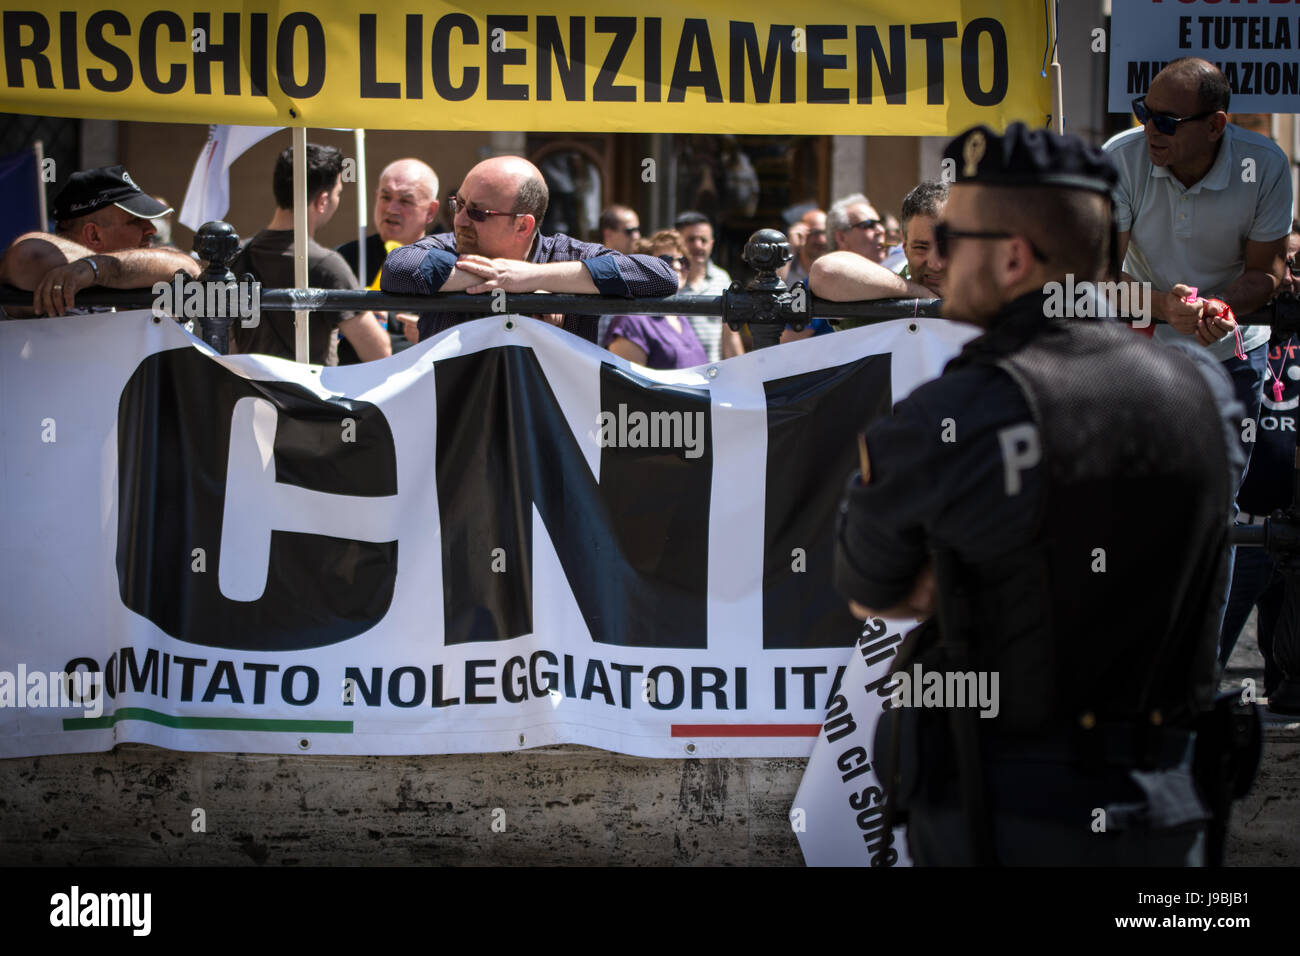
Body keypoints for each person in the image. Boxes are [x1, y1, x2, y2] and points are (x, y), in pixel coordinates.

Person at [834, 122, 1244, 866]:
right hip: (1170, 811)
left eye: (953, 238)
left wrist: (967, 560)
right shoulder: (1205, 393)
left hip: (1011, 811)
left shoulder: (950, 416)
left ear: (1014, 256)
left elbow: (874, 589)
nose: (938, 258)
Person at [382, 156, 677, 344]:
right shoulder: (446, 246)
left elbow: (660, 277)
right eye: (458, 204)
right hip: (459, 429)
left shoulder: (566, 254)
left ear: (523, 226)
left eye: (477, 212)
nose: (459, 219)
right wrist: (512, 285)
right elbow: (398, 268)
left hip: (551, 431)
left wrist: (534, 277)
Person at [1220, 219, 1300, 715]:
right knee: (1204, 665)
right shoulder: (1237, 338)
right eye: (1284, 263)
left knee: (1287, 694)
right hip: (1242, 534)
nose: (1291, 276)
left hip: (1295, 535)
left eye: (1299, 265)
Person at [230, 144, 390, 366]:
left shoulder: (236, 255)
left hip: (249, 394)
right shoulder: (327, 265)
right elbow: (378, 352)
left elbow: (230, 344)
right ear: (322, 201)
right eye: (338, 194)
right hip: (310, 397)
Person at [0, 165, 200, 318]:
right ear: (94, 235)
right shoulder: (41, 261)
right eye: (136, 221)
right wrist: (94, 269)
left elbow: (188, 267)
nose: (151, 230)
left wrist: (97, 268)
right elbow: (27, 256)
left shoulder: (114, 265)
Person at [336, 158, 440, 354]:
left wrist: (433, 333)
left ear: (431, 211)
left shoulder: (446, 266)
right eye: (385, 197)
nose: (392, 209)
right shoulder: (345, 258)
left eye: (405, 201)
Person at [603, 230, 706, 370]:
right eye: (666, 260)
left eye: (683, 261)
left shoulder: (678, 316)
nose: (676, 266)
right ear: (645, 267)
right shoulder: (631, 320)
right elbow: (627, 387)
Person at [674, 210, 744, 360]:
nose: (698, 246)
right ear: (678, 243)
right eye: (691, 239)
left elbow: (730, 336)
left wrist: (742, 375)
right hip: (674, 374)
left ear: (712, 243)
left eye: (703, 240)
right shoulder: (669, 280)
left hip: (712, 376)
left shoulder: (723, 279)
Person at [826, 193, 888, 265]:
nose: (881, 230)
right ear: (841, 238)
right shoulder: (824, 275)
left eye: (880, 223)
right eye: (869, 224)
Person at [783, 208, 828, 286]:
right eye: (815, 233)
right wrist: (791, 248)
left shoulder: (833, 268)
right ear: (801, 232)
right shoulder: (787, 266)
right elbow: (772, 290)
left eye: (825, 233)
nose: (822, 240)